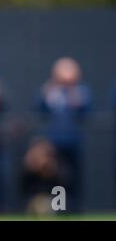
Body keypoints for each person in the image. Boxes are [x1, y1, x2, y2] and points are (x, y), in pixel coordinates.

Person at [38, 57, 91, 212]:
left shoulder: (81, 92)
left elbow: (86, 110)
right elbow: (40, 108)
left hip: (74, 142)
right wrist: (47, 94)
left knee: (75, 177)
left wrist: (76, 98)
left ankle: (76, 209)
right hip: (55, 143)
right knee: (56, 178)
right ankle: (58, 208)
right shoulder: (51, 91)